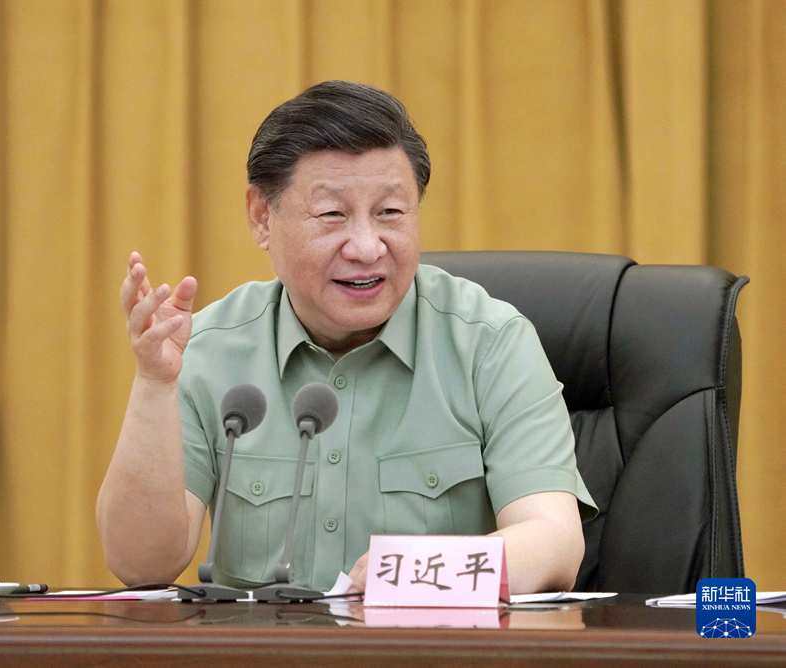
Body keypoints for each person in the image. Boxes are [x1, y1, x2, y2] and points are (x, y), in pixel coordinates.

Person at [96, 80, 596, 595]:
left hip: (430, 639)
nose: (365, 247)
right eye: (333, 214)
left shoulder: (490, 344)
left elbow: (554, 542)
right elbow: (141, 565)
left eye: (390, 213)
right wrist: (154, 383)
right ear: (262, 217)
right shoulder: (208, 348)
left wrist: (405, 576)